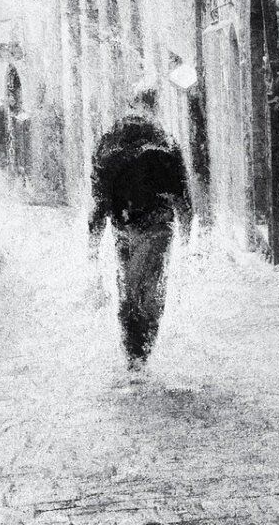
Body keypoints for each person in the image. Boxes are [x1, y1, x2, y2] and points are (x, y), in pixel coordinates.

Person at [87, 82, 193, 368]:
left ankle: (134, 348)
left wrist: (95, 235)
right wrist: (186, 224)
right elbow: (181, 190)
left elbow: (100, 192)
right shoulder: (164, 139)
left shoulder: (110, 140)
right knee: (150, 285)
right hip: (156, 224)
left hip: (124, 225)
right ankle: (141, 345)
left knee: (129, 285)